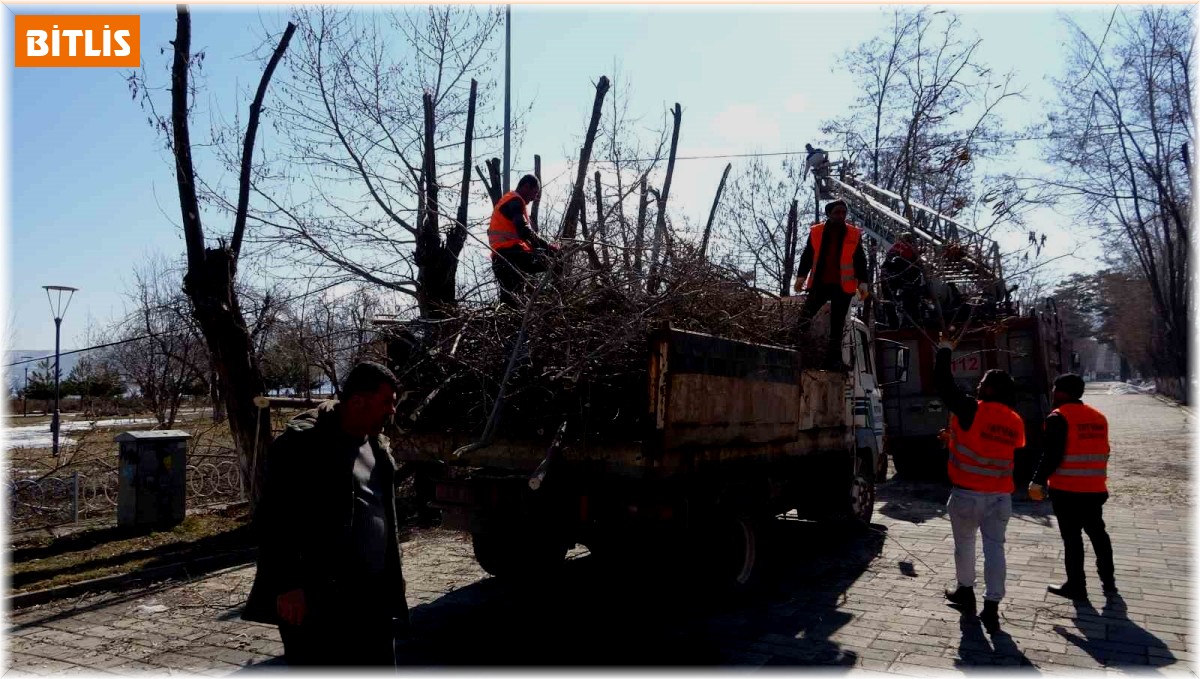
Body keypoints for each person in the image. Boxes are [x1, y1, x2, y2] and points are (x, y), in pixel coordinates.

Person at [243, 361, 409, 667]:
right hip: (317, 597)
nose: (392, 412)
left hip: (371, 595)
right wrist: (287, 585)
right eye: (387, 402)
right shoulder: (302, 445)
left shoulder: (378, 447)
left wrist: (392, 577)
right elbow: (273, 519)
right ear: (358, 400)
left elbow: (383, 514)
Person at [935, 339, 1026, 634]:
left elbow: (945, 385)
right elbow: (995, 448)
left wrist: (945, 350)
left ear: (989, 389)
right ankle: (992, 607)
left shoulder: (972, 409)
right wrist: (955, 440)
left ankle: (965, 592)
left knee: (965, 546)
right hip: (1000, 496)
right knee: (995, 549)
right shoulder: (1014, 420)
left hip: (967, 494)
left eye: (983, 382)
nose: (978, 384)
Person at [1028, 374, 1116, 601]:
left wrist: (1037, 481)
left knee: (1072, 539)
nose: (1053, 392)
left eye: (1055, 388)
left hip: (1067, 489)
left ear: (1061, 392)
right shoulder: (1099, 417)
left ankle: (1076, 586)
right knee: (1098, 534)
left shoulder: (1058, 418)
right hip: (1095, 488)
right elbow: (1105, 451)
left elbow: (1051, 456)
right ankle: (1109, 581)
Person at [793, 199, 870, 369]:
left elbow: (860, 260)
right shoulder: (817, 232)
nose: (841, 215)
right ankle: (792, 346)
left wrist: (863, 282)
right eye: (837, 212)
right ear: (829, 214)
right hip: (820, 284)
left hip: (843, 288)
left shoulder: (852, 233)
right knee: (805, 316)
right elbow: (807, 254)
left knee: (837, 325)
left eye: (844, 212)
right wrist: (801, 276)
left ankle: (833, 360)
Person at [489, 173, 556, 307]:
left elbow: (521, 235)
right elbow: (524, 230)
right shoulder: (515, 201)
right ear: (526, 187)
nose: (535, 197)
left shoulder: (508, 200)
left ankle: (510, 322)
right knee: (551, 261)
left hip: (501, 258)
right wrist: (548, 248)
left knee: (510, 301)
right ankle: (554, 297)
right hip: (511, 255)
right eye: (534, 192)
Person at [882, 232, 925, 327]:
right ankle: (912, 321)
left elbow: (887, 263)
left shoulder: (894, 248)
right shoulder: (910, 251)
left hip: (890, 278)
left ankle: (894, 324)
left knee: (890, 304)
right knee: (911, 300)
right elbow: (915, 269)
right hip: (902, 278)